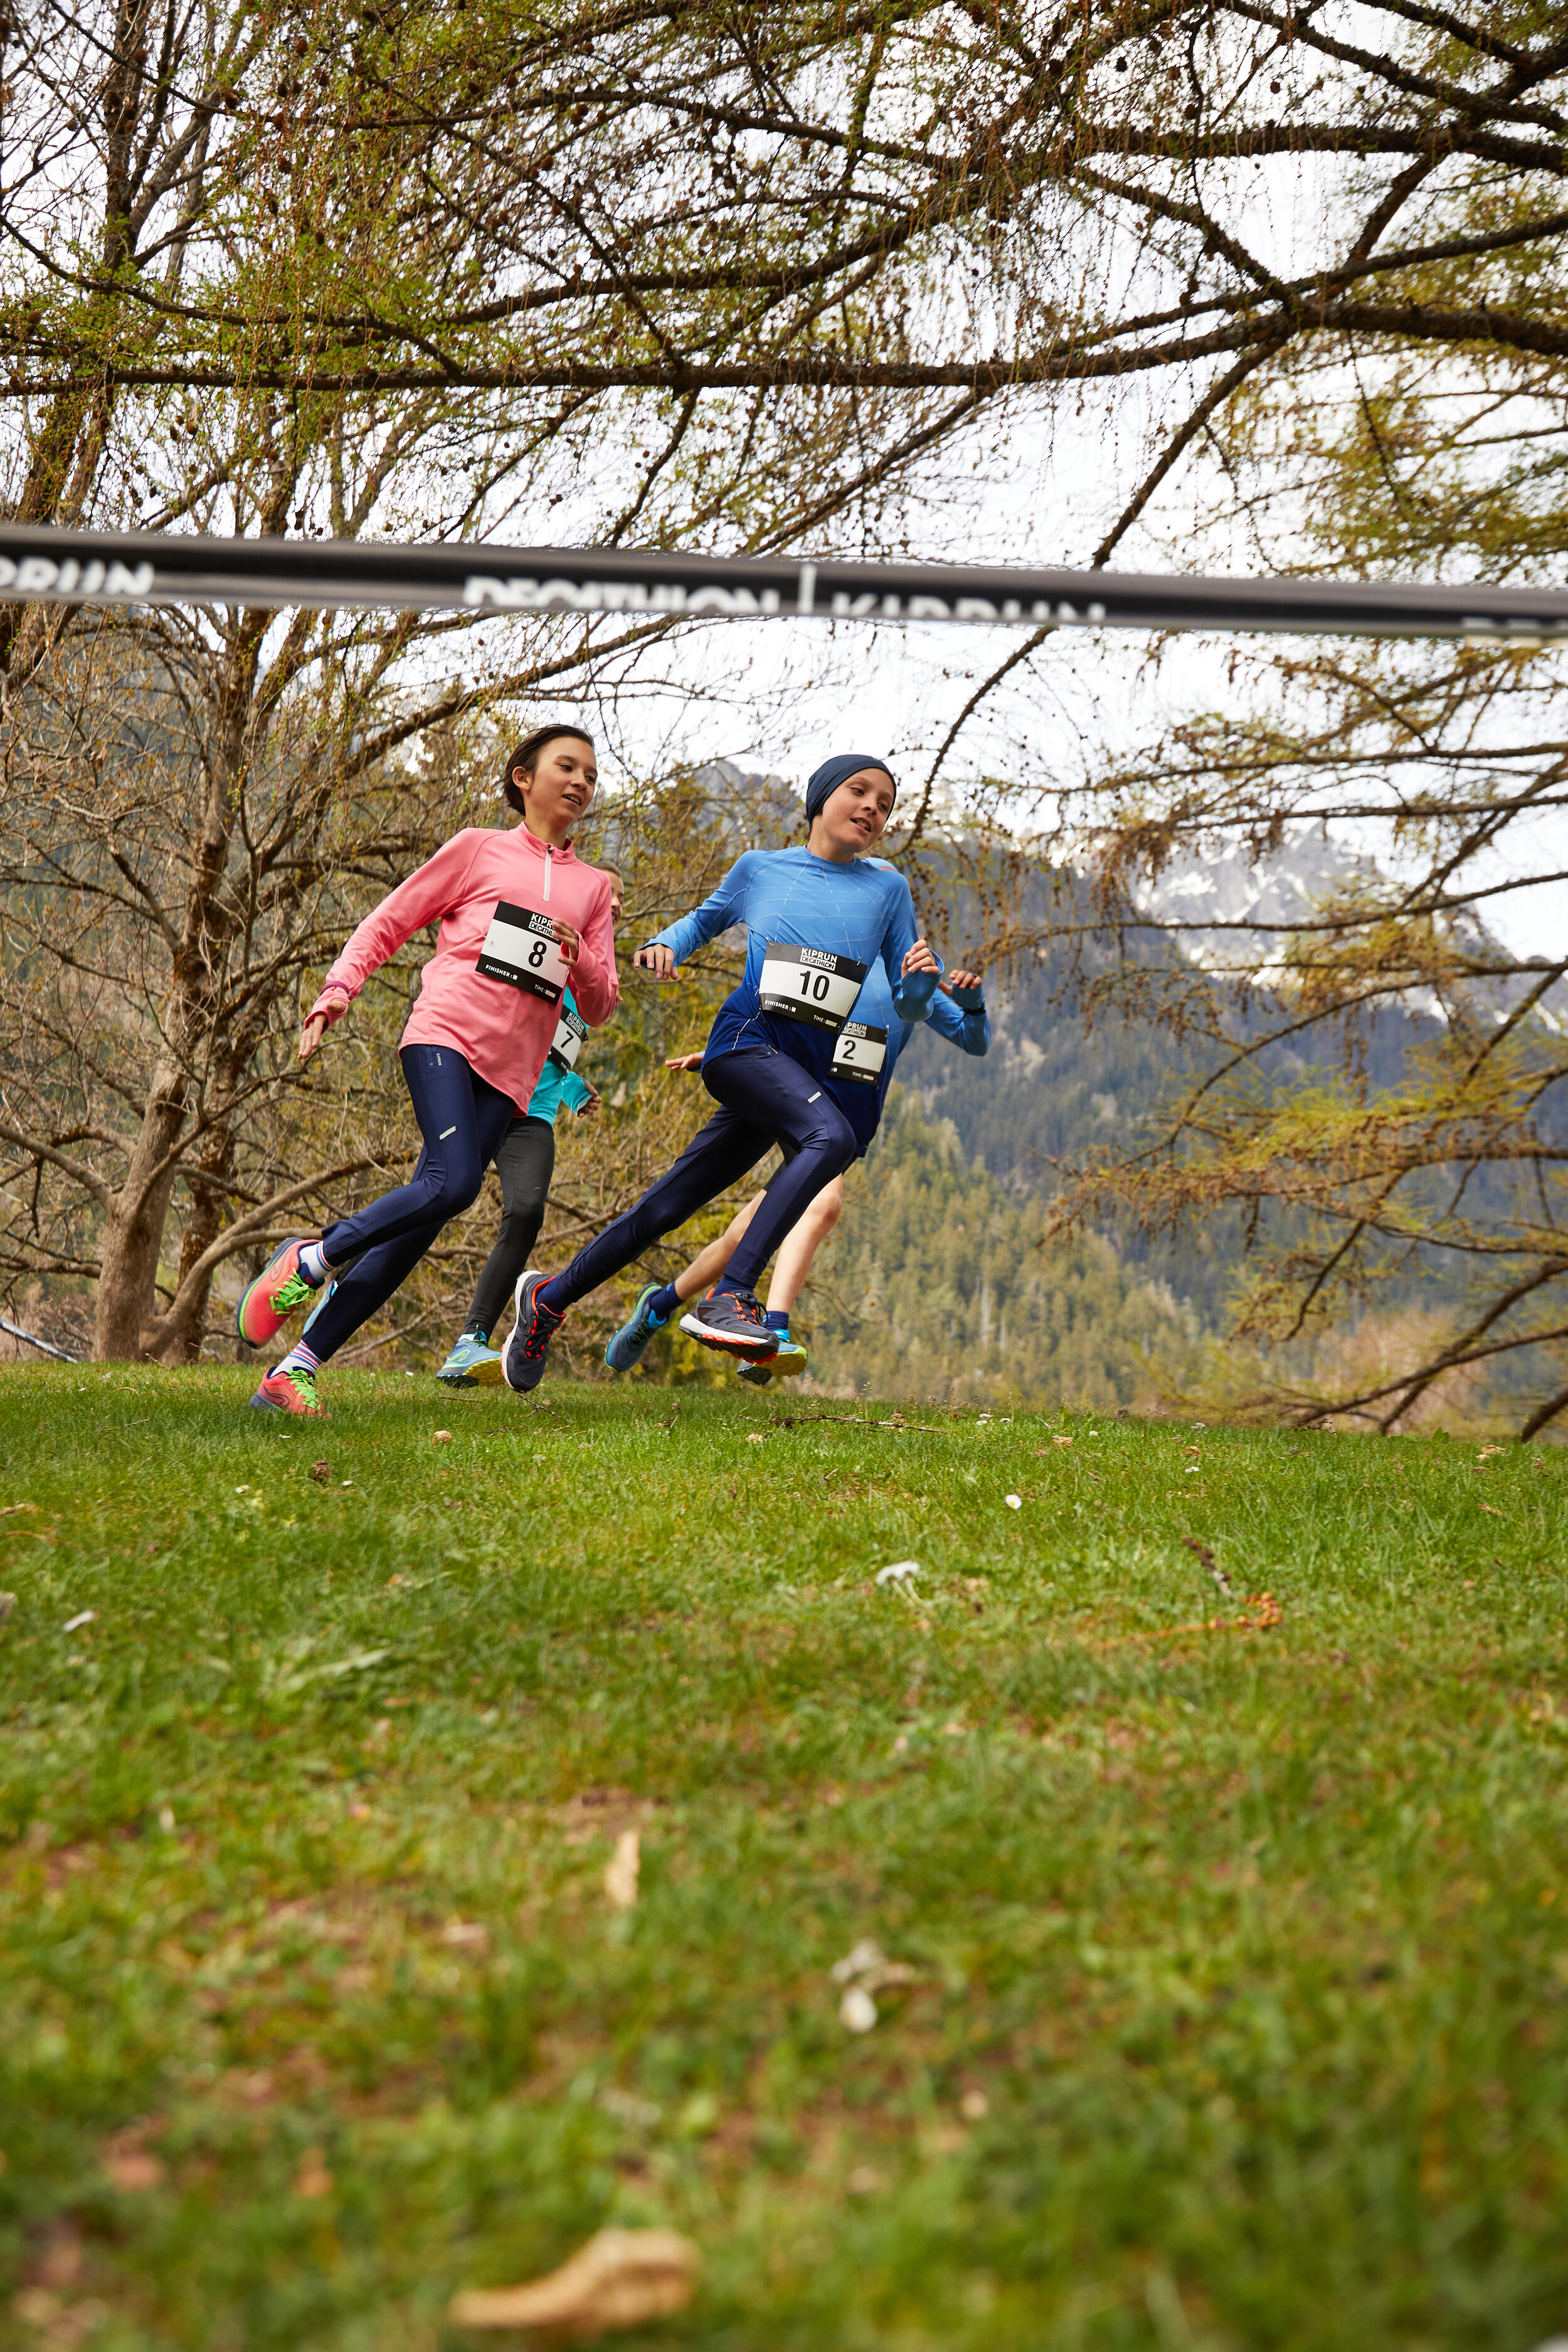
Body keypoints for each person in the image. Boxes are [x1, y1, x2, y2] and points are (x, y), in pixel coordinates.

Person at [496, 753, 943, 1394]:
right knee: (832, 1138)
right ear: (821, 797)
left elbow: (907, 997)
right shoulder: (762, 868)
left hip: (797, 1070)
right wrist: (665, 946)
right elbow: (707, 920)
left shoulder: (887, 890)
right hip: (745, 1043)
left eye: (885, 804)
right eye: (859, 791)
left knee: (665, 1207)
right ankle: (729, 1296)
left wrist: (921, 990)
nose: (873, 808)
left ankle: (547, 1300)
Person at [236, 726, 618, 1415]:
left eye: (590, 773)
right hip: (443, 1034)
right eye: (566, 766)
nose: (581, 781)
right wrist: (337, 991)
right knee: (455, 1184)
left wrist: (582, 957)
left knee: (425, 1215)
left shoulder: (592, 891)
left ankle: (294, 1369)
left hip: (512, 1074)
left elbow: (602, 1002)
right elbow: (391, 920)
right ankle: (311, 1259)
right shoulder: (478, 849)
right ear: (522, 777)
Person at [606, 942, 990, 1384]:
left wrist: (973, 1006)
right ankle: (772, 1330)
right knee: (826, 1206)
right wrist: (719, 1055)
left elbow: (974, 1041)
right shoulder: (832, 961)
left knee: (742, 1237)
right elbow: (772, 1024)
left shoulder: (914, 985)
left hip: (851, 1127)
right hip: (805, 1115)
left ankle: (658, 1306)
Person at [435, 868, 623, 1387]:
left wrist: (571, 1090)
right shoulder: (536, 947)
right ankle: (338, 1285)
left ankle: (470, 1343)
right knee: (430, 1203)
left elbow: (550, 1051)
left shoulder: (595, 983)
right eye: (608, 904)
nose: (613, 913)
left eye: (618, 908)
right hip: (481, 1096)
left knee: (526, 1211)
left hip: (530, 1117)